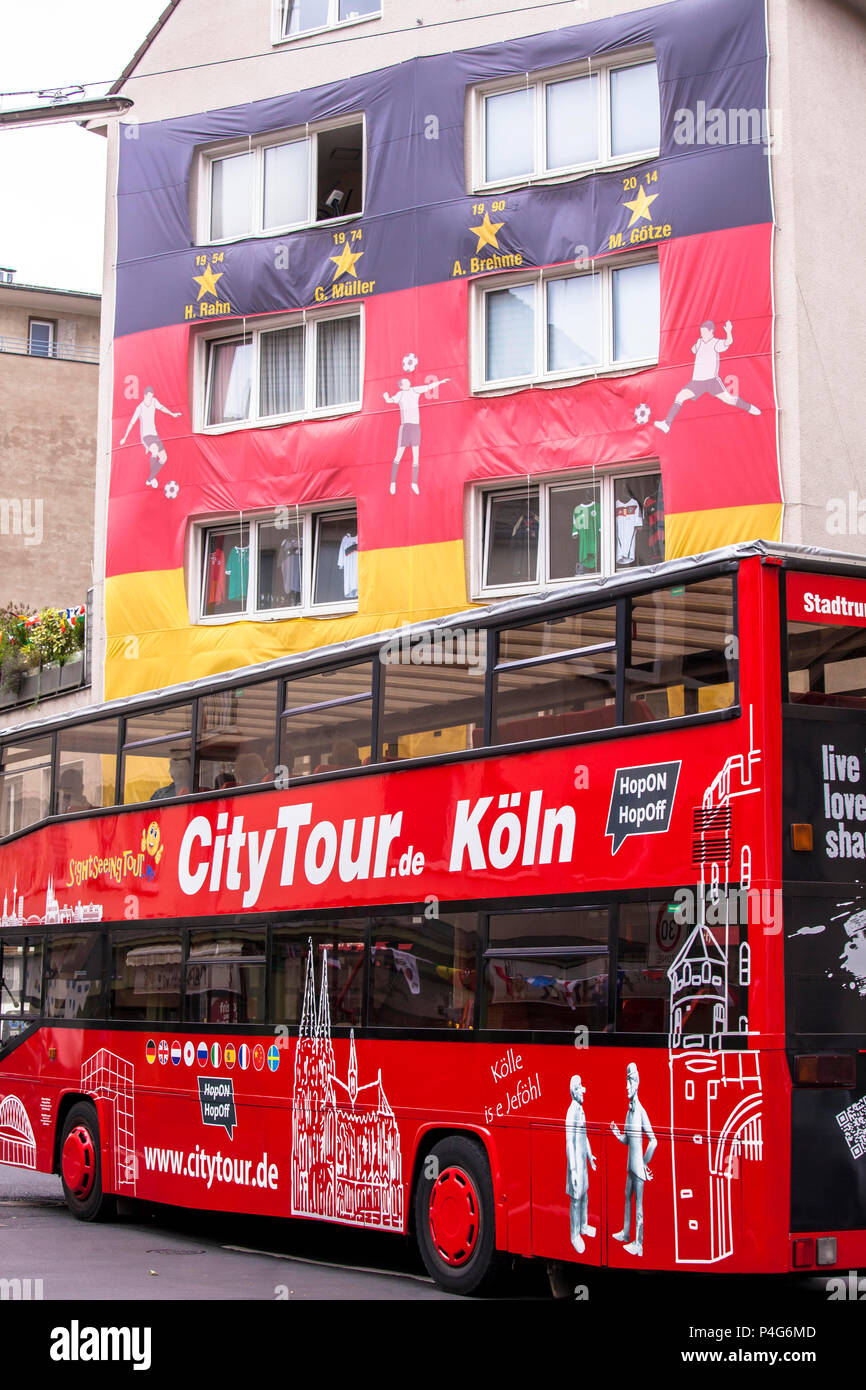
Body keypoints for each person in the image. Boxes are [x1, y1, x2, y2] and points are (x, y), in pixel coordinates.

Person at [654, 320, 761, 434]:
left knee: (729, 399)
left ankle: (749, 407)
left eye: (704, 332)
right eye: (701, 332)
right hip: (697, 382)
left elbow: (728, 342)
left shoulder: (716, 343)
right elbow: (693, 350)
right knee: (680, 396)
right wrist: (697, 344)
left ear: (711, 332)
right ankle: (667, 424)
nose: (702, 335)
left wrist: (729, 331)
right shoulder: (699, 342)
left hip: (711, 381)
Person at [610, 1061, 656, 1257]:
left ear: (636, 1083)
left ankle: (639, 1244)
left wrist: (645, 1164)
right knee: (627, 1197)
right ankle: (626, 1232)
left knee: (639, 1205)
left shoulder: (641, 1111)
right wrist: (616, 1132)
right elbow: (627, 1140)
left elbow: (653, 1141)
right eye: (626, 1081)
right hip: (631, 1166)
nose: (626, 1086)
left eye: (629, 1082)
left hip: (638, 1168)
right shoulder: (629, 1111)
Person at [384, 376, 449, 495]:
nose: (408, 383)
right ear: (401, 386)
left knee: (416, 456)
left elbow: (428, 387)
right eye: (405, 382)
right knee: (399, 455)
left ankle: (414, 483)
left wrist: (440, 382)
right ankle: (393, 482)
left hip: (415, 426)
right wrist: (386, 397)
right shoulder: (400, 394)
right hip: (405, 426)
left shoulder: (415, 390)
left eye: (408, 381)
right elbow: (389, 400)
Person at [120, 386, 181, 488]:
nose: (150, 399)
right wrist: (124, 438)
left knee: (164, 457)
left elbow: (162, 408)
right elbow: (132, 423)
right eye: (149, 397)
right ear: (145, 396)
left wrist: (172, 414)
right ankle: (151, 479)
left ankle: (150, 479)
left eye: (152, 397)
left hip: (154, 434)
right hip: (146, 436)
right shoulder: (139, 408)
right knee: (155, 450)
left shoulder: (154, 401)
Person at [565, 1074, 596, 1254]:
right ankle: (574, 1235)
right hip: (575, 1165)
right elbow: (569, 1142)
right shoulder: (572, 1112)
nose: (583, 1090)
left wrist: (590, 1158)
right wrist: (574, 1170)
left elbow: (585, 1137)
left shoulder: (580, 1110)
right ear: (574, 1092)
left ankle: (584, 1226)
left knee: (584, 1196)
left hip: (583, 1164)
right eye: (580, 1088)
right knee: (575, 1201)